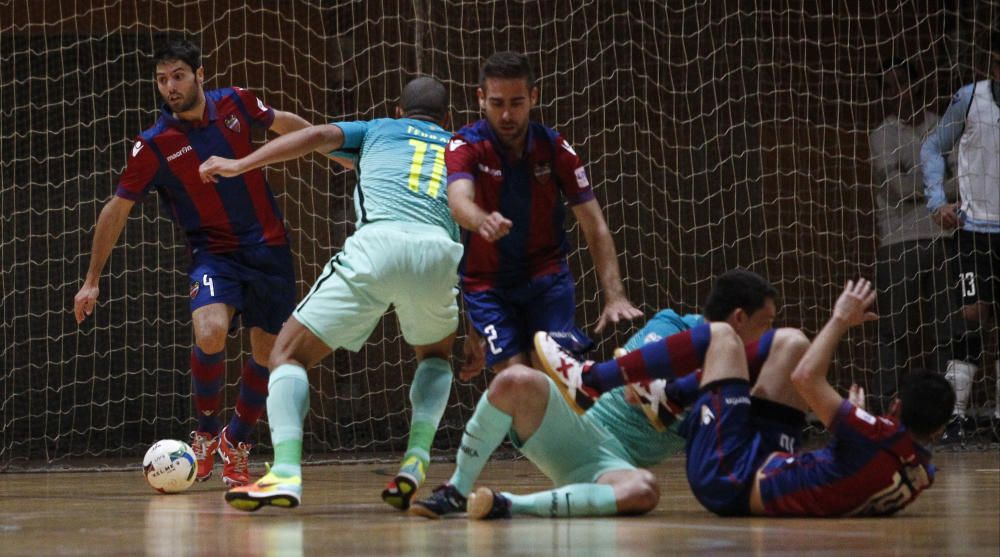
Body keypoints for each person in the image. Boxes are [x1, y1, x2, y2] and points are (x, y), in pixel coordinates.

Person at [198, 76, 464, 512]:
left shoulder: (378, 128)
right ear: (447, 118)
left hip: (380, 245)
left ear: (398, 110)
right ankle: (416, 458)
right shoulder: (460, 146)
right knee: (435, 356)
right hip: (439, 253)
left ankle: (284, 471)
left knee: (286, 354)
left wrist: (238, 164)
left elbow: (316, 136)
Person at [72, 38, 313, 487]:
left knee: (268, 353)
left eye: (178, 76)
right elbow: (116, 209)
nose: (170, 87)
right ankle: (204, 434)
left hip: (269, 249)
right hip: (213, 254)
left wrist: (328, 143)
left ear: (200, 75)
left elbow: (286, 125)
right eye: (162, 80)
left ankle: (235, 441)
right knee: (210, 330)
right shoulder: (154, 145)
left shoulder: (236, 103)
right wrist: (92, 280)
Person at [410, 269, 808, 520]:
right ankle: (456, 490)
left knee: (644, 491)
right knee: (517, 380)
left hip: (615, 463)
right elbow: (634, 383)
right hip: (580, 427)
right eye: (766, 323)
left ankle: (507, 504)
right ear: (739, 318)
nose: (769, 333)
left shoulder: (730, 380)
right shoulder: (672, 324)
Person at [540, 279, 955, 517]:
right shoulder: (920, 470)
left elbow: (807, 378)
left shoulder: (874, 433)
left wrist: (840, 320)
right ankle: (671, 397)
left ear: (896, 406)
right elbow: (854, 465)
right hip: (769, 457)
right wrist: (860, 421)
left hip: (730, 476)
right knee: (792, 341)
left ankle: (592, 379)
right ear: (936, 431)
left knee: (722, 336)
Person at [445, 51, 642, 373]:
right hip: (488, 287)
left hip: (546, 279)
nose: (507, 114)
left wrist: (615, 296)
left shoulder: (554, 149)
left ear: (534, 97)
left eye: (516, 102)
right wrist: (483, 220)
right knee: (518, 376)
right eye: (497, 103)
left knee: (551, 372)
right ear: (481, 99)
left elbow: (595, 227)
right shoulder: (465, 145)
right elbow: (458, 201)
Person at [868, 58, 964, 413]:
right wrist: (937, 184)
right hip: (896, 243)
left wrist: (919, 179)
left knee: (946, 330)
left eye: (901, 84)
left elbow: (961, 181)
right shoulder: (882, 134)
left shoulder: (941, 127)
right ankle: (883, 411)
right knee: (892, 332)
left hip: (941, 240)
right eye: (889, 88)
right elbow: (895, 187)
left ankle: (946, 411)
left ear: (915, 86)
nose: (897, 93)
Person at [920, 32, 1000, 441]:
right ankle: (953, 416)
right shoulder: (970, 98)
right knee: (972, 316)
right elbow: (932, 147)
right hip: (976, 230)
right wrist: (937, 202)